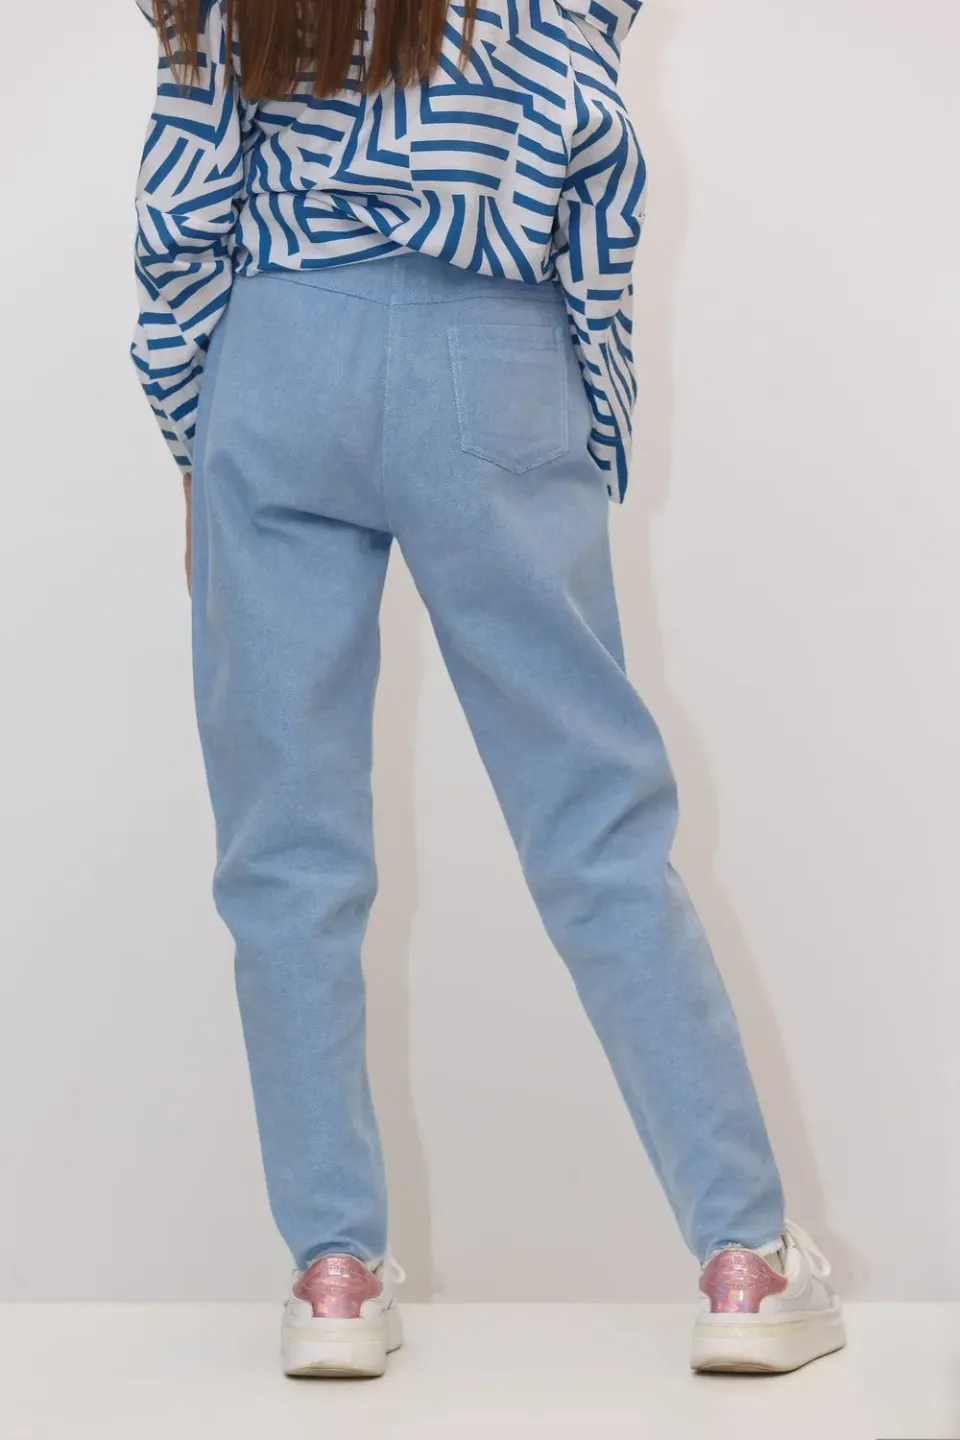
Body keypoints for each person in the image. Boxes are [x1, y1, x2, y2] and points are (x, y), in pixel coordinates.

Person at [131, 0, 845, 1380]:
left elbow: (182, 196)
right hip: (489, 346)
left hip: (274, 356)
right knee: (597, 827)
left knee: (285, 852)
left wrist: (190, 435)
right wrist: (590, 413)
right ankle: (745, 1264)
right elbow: (596, 159)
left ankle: (333, 1275)